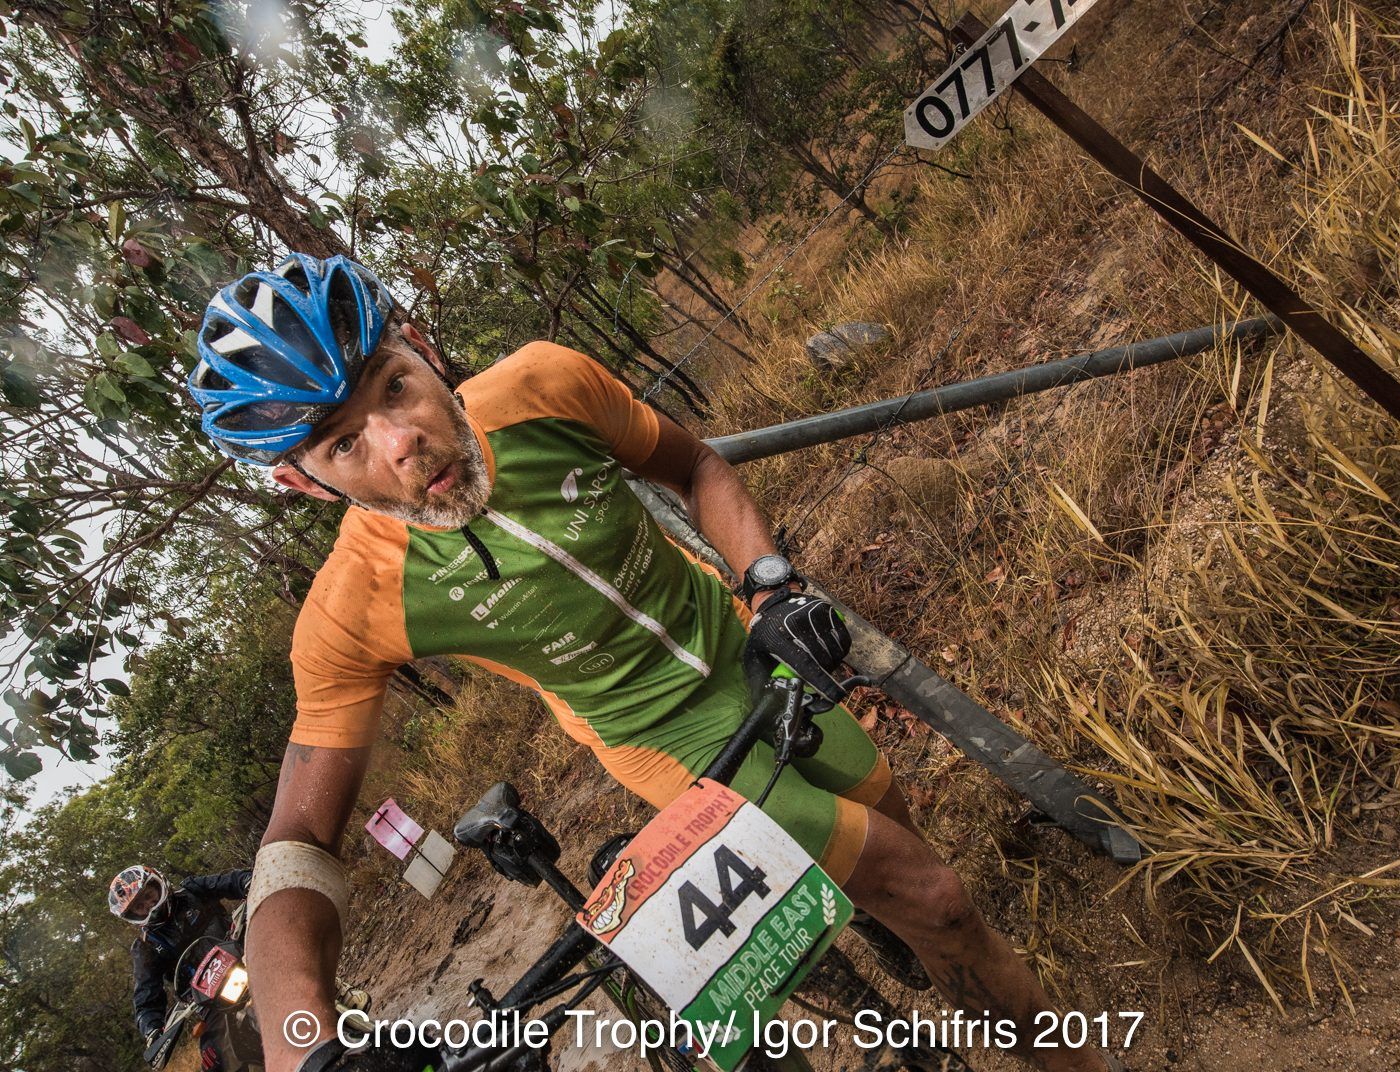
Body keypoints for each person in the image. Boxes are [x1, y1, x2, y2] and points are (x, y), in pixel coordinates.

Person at [187, 253, 1116, 1072]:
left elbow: (696, 469)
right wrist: (300, 1049)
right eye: (344, 443)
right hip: (667, 745)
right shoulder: (352, 608)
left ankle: (902, 937)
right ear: (302, 481)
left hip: (753, 656)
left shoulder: (544, 385)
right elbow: (298, 843)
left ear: (422, 347)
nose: (398, 441)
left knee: (893, 835)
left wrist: (769, 588)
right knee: (939, 899)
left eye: (392, 387)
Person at [109, 863, 252, 1071]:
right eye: (139, 907)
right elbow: (146, 995)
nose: (149, 905)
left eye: (149, 895)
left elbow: (230, 881)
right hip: (211, 1002)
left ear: (158, 883)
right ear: (133, 916)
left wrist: (247, 882)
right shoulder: (146, 947)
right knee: (215, 1058)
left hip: (246, 953)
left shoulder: (193, 890)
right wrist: (152, 1029)